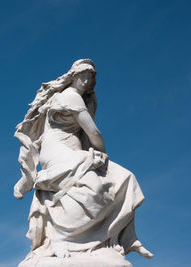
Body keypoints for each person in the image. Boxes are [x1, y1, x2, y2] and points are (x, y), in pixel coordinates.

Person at [14, 59, 153, 261]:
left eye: (90, 78)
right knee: (93, 187)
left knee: (125, 177)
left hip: (74, 152)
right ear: (73, 77)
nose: (86, 81)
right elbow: (93, 132)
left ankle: (127, 238)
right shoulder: (70, 97)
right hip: (58, 151)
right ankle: (61, 238)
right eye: (83, 76)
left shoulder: (79, 98)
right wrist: (102, 155)